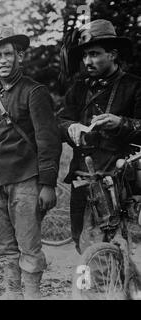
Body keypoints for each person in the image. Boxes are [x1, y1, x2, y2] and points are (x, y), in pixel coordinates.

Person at [0, 25, 61, 299]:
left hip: (25, 179)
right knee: (3, 243)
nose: (3, 61)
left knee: (28, 243)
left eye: (8, 54)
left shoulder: (34, 91)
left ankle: (31, 294)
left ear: (19, 56)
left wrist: (48, 184)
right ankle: (12, 291)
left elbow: (48, 140)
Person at [58, 19, 141, 254]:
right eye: (85, 56)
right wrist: (70, 127)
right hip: (83, 178)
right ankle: (95, 289)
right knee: (81, 242)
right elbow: (59, 122)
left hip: (121, 179)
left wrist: (121, 123)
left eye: (94, 54)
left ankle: (121, 287)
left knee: (123, 243)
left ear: (113, 55)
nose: (87, 62)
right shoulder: (80, 87)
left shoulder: (134, 86)